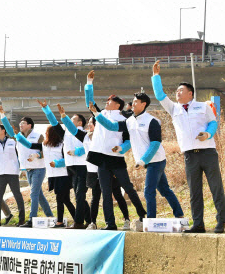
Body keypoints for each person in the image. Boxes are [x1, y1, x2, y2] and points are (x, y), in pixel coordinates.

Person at [152, 60, 224, 233]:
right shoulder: (174, 109)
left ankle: (222, 221)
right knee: (194, 191)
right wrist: (156, 76)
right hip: (190, 155)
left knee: (216, 187)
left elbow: (212, 123)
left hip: (207, 152)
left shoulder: (203, 106)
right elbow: (160, 95)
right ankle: (198, 224)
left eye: (181, 90)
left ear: (190, 93)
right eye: (176, 91)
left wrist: (207, 134)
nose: (177, 93)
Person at [95, 92, 184, 220]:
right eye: (133, 101)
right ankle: (179, 214)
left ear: (144, 104)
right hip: (148, 162)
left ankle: (151, 221)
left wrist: (143, 161)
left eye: (136, 101)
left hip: (156, 160)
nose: (133, 103)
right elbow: (112, 126)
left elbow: (155, 144)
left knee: (148, 191)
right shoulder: (129, 121)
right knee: (164, 190)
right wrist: (97, 114)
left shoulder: (152, 121)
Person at [85, 70, 147, 230]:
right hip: (101, 158)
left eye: (109, 101)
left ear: (117, 104)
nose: (106, 102)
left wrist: (121, 148)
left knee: (128, 188)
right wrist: (89, 83)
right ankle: (110, 224)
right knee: (106, 193)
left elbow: (128, 140)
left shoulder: (125, 118)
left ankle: (143, 215)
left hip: (116, 158)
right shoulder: (100, 114)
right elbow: (90, 103)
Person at [69, 116, 131, 230]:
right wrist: (63, 116)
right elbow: (81, 142)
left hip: (107, 169)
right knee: (95, 197)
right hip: (92, 171)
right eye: (89, 123)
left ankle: (126, 219)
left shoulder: (103, 136)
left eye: (92, 123)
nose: (89, 125)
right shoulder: (86, 136)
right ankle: (93, 222)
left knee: (117, 194)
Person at [38, 100, 90, 229]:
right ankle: (89, 220)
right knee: (80, 197)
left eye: (72, 119)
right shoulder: (66, 134)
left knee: (79, 195)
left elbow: (88, 148)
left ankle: (78, 223)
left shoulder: (83, 134)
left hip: (83, 168)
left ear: (80, 123)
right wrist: (47, 110)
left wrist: (76, 152)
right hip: (71, 169)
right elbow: (54, 124)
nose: (68, 121)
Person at [17, 125, 75, 227]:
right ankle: (77, 219)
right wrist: (17, 135)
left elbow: (68, 160)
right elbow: (29, 145)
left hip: (64, 175)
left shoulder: (62, 145)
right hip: (53, 176)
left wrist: (57, 163)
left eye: (47, 132)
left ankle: (60, 221)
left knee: (60, 198)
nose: (45, 134)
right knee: (65, 200)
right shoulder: (45, 145)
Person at [13, 116, 53, 227]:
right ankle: (50, 216)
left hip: (39, 169)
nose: (21, 125)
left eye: (23, 123)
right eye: (20, 123)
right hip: (28, 170)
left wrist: (36, 155)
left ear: (30, 125)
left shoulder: (38, 136)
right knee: (39, 195)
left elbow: (44, 151)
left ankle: (32, 219)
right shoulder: (19, 137)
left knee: (34, 193)